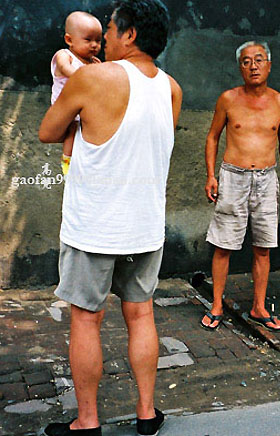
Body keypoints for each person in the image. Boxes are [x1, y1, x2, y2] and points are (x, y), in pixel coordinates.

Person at [39, 0, 182, 434]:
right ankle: (145, 415)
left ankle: (88, 422)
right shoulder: (172, 89)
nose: (104, 40)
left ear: (130, 34)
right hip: (144, 227)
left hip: (94, 227)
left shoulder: (94, 77)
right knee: (141, 315)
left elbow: (48, 131)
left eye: (110, 30)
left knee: (86, 318)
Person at [200, 41, 280, 332]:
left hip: (267, 179)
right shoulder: (228, 99)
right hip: (233, 177)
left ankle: (258, 306)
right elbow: (212, 137)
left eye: (258, 59)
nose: (253, 66)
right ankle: (217, 304)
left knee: (263, 247)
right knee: (223, 245)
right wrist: (211, 174)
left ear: (269, 64)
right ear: (239, 67)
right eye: (246, 61)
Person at [51, 11, 102, 175]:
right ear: (69, 40)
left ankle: (86, 161)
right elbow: (67, 70)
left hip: (83, 105)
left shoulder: (93, 62)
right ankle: (67, 161)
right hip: (65, 104)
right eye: (88, 40)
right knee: (72, 131)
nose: (94, 45)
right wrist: (87, 73)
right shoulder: (64, 55)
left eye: (98, 40)